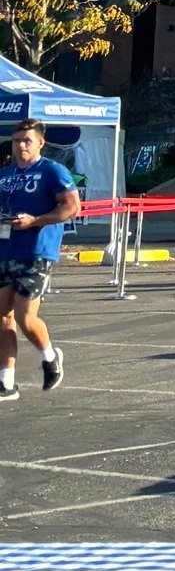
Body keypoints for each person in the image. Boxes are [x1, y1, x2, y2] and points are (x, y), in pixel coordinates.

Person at [0, 119, 74, 399]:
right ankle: (6, 383)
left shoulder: (52, 171)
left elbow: (70, 208)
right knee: (2, 317)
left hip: (37, 252)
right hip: (5, 251)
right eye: (17, 140)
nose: (21, 146)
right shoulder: (4, 174)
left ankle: (50, 357)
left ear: (40, 142)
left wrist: (35, 221)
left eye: (27, 140)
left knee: (24, 316)